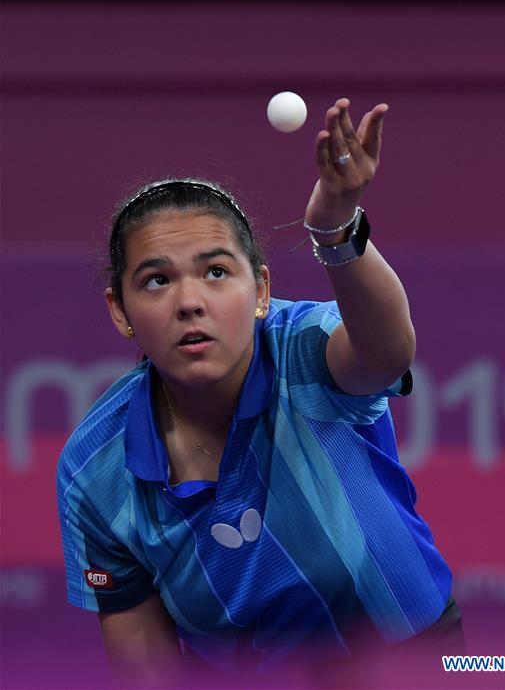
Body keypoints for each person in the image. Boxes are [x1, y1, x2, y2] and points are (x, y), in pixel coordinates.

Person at [57, 98, 464, 688]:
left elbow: (386, 353)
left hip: (418, 662)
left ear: (260, 290)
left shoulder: (303, 347)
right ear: (121, 311)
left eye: (217, 271)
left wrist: (335, 228)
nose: (190, 300)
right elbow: (144, 656)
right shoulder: (93, 471)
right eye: (157, 280)